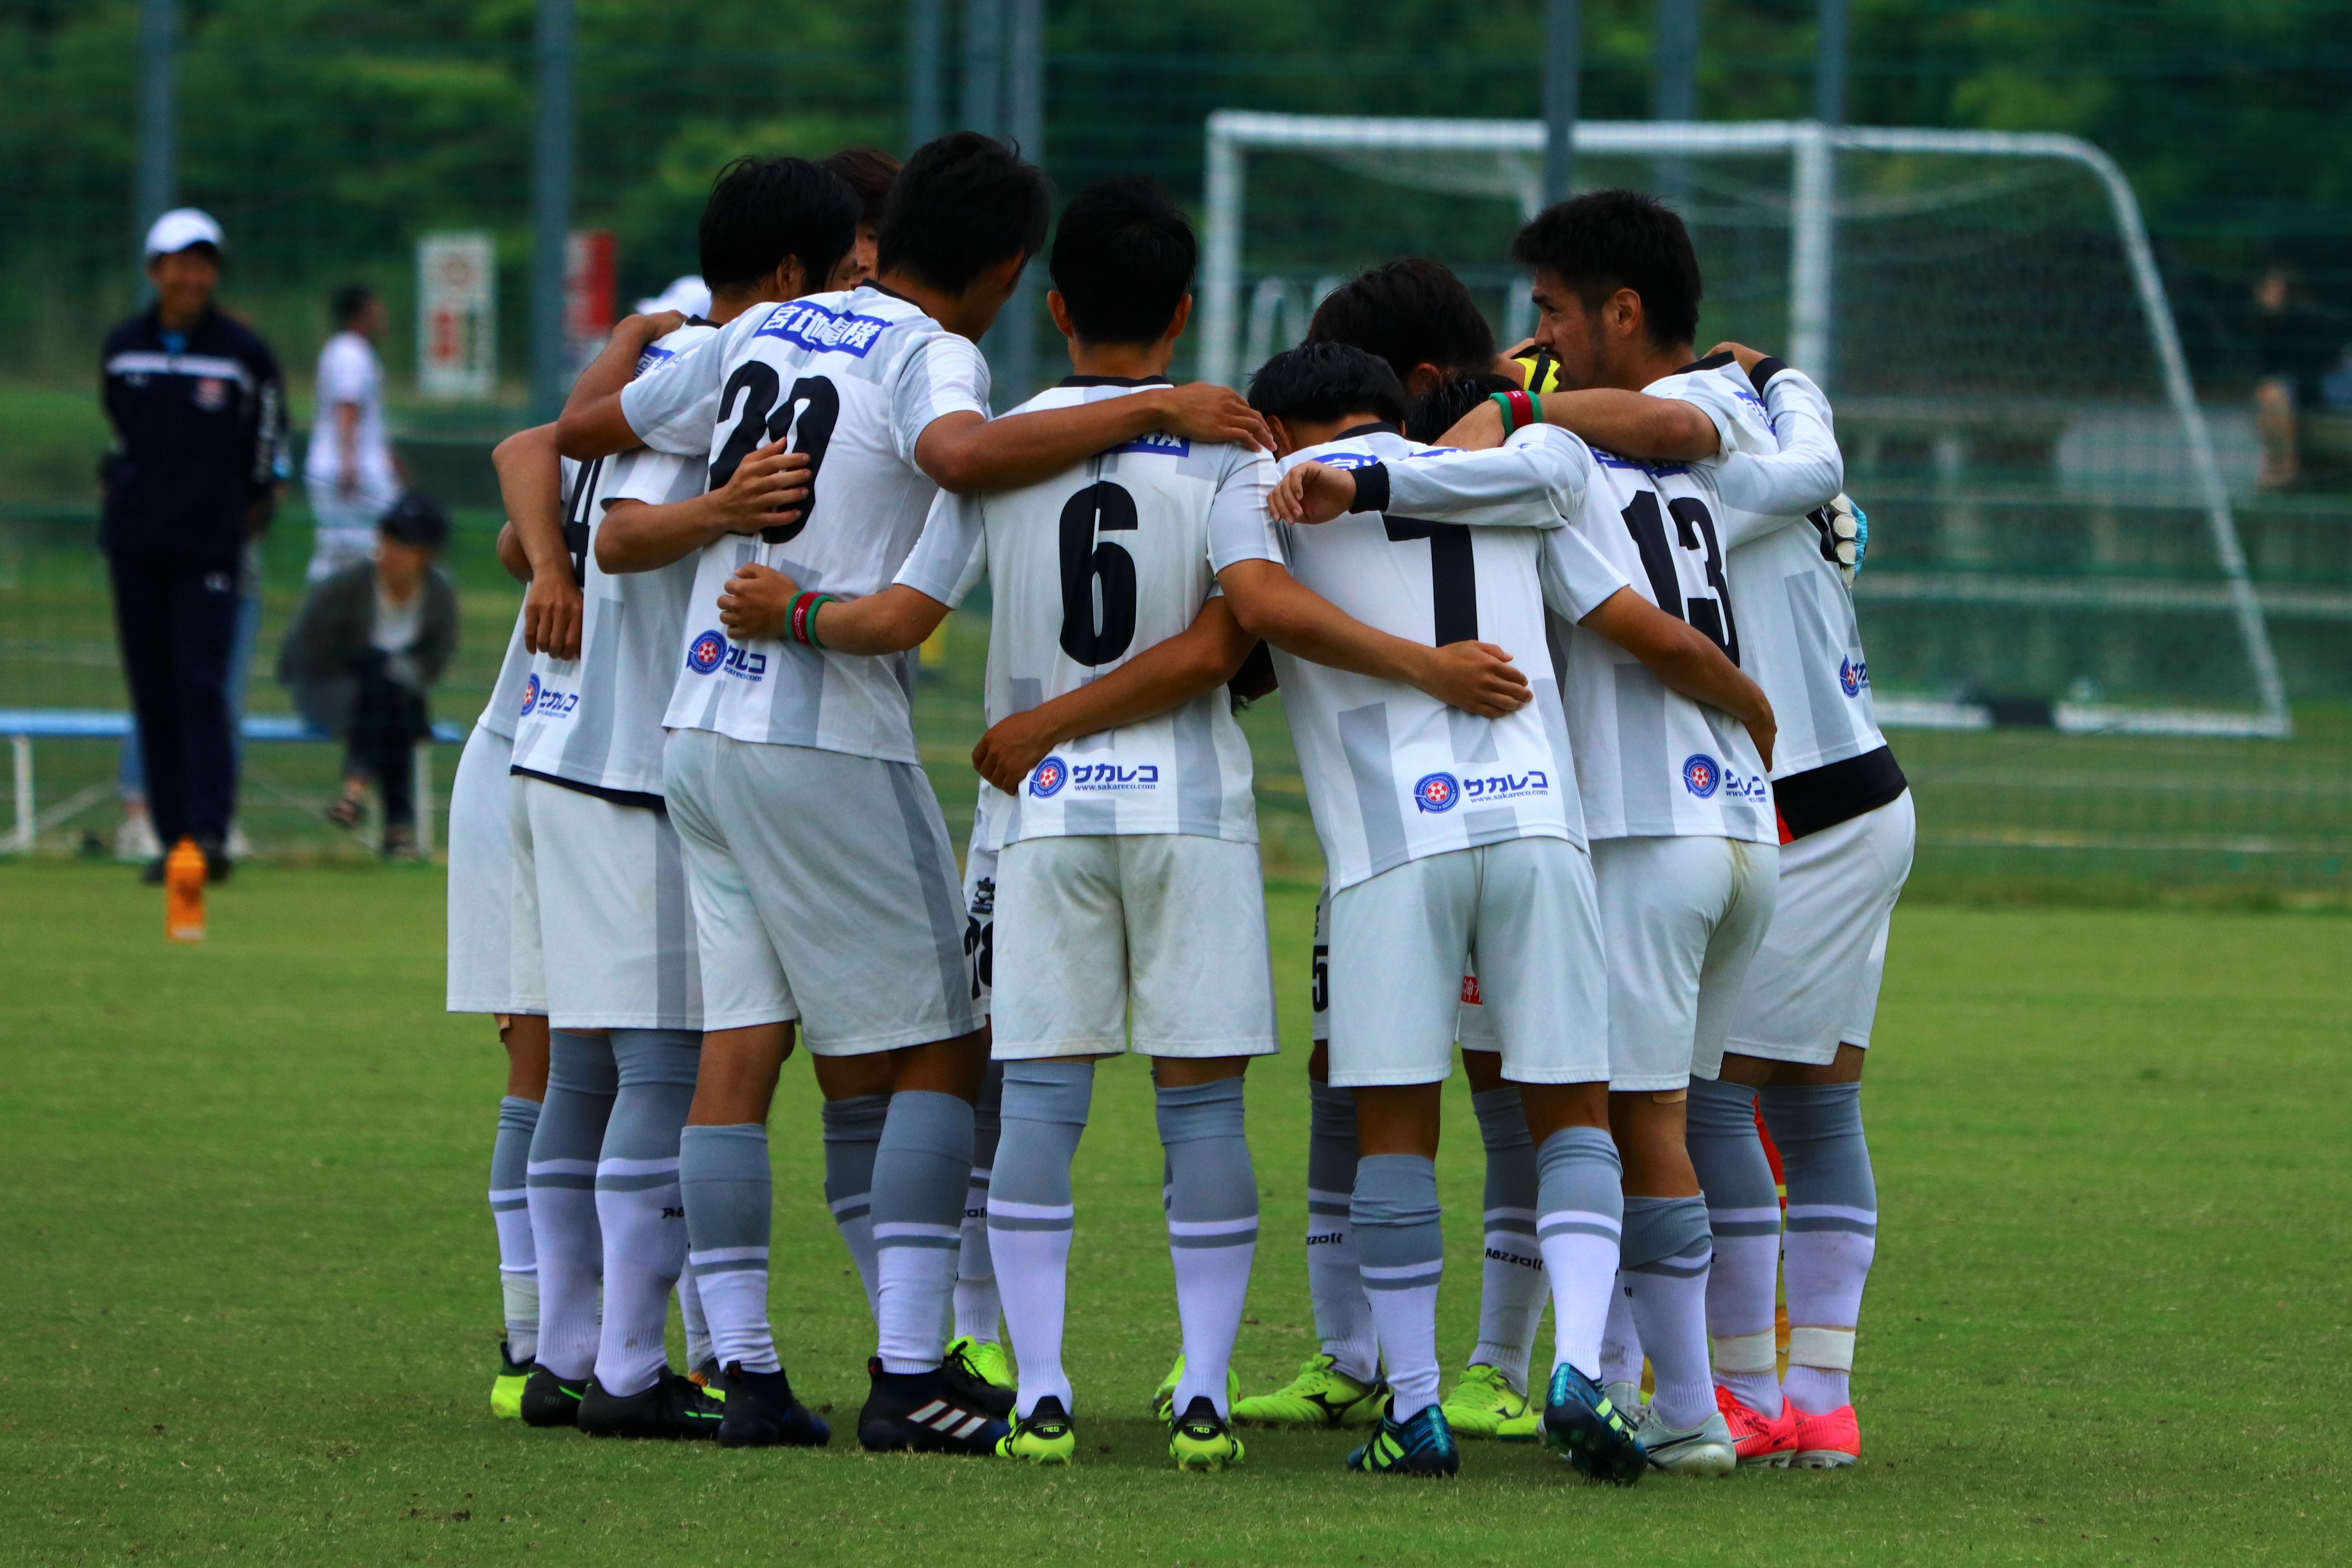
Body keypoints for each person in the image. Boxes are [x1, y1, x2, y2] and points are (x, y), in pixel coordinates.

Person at [557, 130, 1272, 1455]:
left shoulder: (761, 326)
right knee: (948, 1043)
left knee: (740, 1045)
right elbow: (955, 458)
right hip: (824, 735)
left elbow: (597, 440)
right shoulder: (937, 353)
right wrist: (1154, 408)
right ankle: (907, 1371)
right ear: (1005, 272)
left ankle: (749, 1369)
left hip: (697, 726)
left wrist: (713, 500)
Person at [764, 178, 1285, 1469]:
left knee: (1041, 1105)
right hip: (1191, 809)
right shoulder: (1229, 441)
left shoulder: (1003, 444)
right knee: (1202, 1113)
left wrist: (790, 612)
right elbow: (1223, 642)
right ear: (1183, 311)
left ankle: (1041, 1390)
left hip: (1044, 813)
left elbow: (898, 618)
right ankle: (1205, 1394)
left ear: (1054, 307)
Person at [505, 153, 853, 1446]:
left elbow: (535, 468)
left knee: (590, 1071)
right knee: (660, 1067)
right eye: (844, 271)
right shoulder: (715, 372)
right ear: (790, 273)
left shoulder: (660, 366)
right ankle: (628, 1369)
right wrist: (721, 505)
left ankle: (566, 1351)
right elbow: (624, 534)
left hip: (570, 754)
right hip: (624, 766)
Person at [100, 207, 288, 882]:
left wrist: (247, 512)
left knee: (201, 687)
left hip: (210, 548)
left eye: (204, 265)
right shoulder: (124, 347)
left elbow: (268, 444)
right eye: (181, 264)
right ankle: (173, 838)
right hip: (136, 545)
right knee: (153, 692)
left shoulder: (243, 353)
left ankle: (210, 833)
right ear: (156, 271)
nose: (192, 278)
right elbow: (120, 435)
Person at [450, 455, 580, 1418]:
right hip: (526, 766)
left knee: (630, 1075)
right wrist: (550, 563)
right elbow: (525, 453)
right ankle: (530, 1341)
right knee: (541, 1070)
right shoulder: (653, 411)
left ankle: (596, 1344)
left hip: (622, 785)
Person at [276, 491, 458, 859]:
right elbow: (305, 653)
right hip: (328, 689)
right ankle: (398, 828)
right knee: (388, 695)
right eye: (386, 538)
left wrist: (389, 671)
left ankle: (354, 793)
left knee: (390, 695)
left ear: (427, 555)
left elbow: (434, 662)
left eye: (403, 543)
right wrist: (371, 664)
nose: (389, 551)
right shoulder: (348, 586)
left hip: (394, 700)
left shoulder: (438, 597)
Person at [304, 285, 401, 582]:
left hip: (346, 465)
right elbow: (347, 406)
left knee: (342, 550)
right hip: (352, 469)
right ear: (363, 311)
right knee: (384, 541)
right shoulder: (351, 351)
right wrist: (349, 463)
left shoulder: (342, 349)